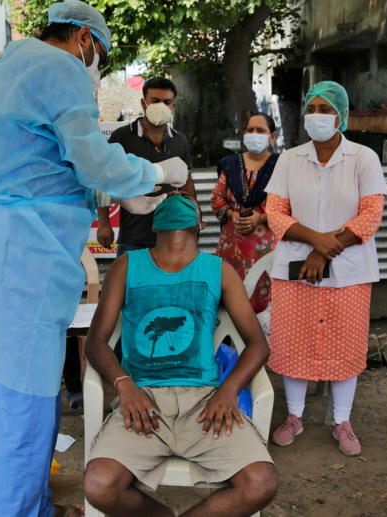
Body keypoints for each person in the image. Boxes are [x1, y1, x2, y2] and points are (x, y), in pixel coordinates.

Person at [0, 1, 190, 515]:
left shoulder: (11, 73)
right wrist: (156, 175)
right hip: (23, 263)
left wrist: (110, 197)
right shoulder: (57, 68)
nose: (96, 67)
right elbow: (92, 157)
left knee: (12, 407)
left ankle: (28, 504)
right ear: (84, 38)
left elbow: (44, 171)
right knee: (25, 410)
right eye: (100, 55)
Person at [83, 192, 277, 517]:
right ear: (200, 225)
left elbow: (257, 344)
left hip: (204, 402)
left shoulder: (218, 270)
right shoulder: (127, 266)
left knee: (260, 482)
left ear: (152, 226)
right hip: (141, 401)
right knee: (99, 484)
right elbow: (95, 341)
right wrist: (125, 385)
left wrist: (228, 390)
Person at [265, 81, 387, 456]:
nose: (316, 115)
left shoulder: (363, 158)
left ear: (341, 115)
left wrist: (326, 250)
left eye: (325, 109)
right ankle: (294, 417)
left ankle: (342, 421)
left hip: (348, 270)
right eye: (311, 108)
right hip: (296, 268)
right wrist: (315, 242)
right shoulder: (289, 159)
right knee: (293, 343)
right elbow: (274, 212)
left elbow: (371, 215)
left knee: (345, 344)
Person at [96, 77, 196, 255]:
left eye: (167, 102)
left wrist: (195, 215)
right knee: (131, 282)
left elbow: (187, 182)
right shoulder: (122, 137)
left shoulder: (179, 140)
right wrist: (104, 223)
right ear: (144, 103)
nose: (161, 106)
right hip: (133, 237)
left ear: (173, 105)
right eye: (155, 101)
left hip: (172, 235)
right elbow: (104, 179)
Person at [211, 112, 279, 312]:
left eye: (260, 130)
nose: (254, 134)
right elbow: (217, 197)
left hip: (266, 250)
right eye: (250, 130)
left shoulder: (281, 167)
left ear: (272, 137)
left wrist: (262, 218)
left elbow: (289, 205)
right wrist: (232, 215)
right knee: (232, 305)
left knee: (264, 307)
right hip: (231, 248)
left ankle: (263, 342)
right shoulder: (231, 165)